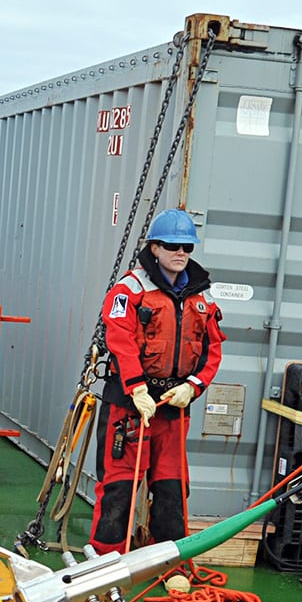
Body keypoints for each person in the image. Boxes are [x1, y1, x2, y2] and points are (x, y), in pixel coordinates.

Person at [90, 208, 224, 577]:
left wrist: (194, 386)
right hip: (130, 409)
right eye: (172, 246)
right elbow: (119, 338)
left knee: (172, 488)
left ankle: (171, 566)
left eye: (186, 247)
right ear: (155, 247)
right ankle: (105, 565)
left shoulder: (203, 297)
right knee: (119, 487)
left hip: (172, 408)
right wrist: (135, 388)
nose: (180, 253)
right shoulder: (129, 290)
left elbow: (213, 349)